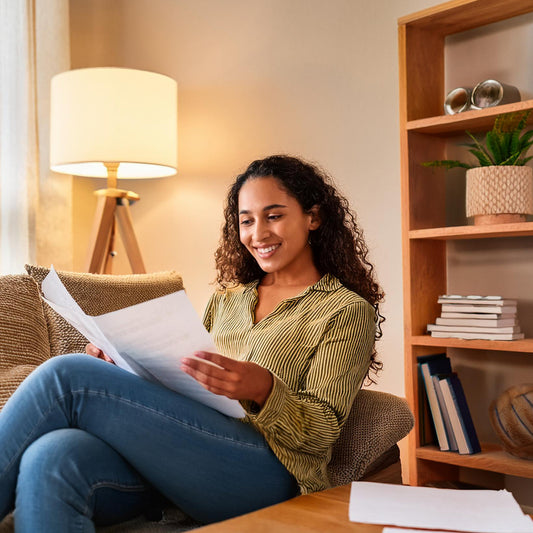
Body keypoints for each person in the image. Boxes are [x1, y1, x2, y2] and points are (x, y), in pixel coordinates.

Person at [0, 154, 384, 532]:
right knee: (51, 455)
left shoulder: (345, 310)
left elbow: (321, 435)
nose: (258, 233)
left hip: (266, 473)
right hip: (187, 459)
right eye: (246, 221)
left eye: (274, 215)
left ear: (313, 217)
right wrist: (128, 370)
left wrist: (264, 389)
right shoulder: (227, 300)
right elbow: (185, 388)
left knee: (68, 375)